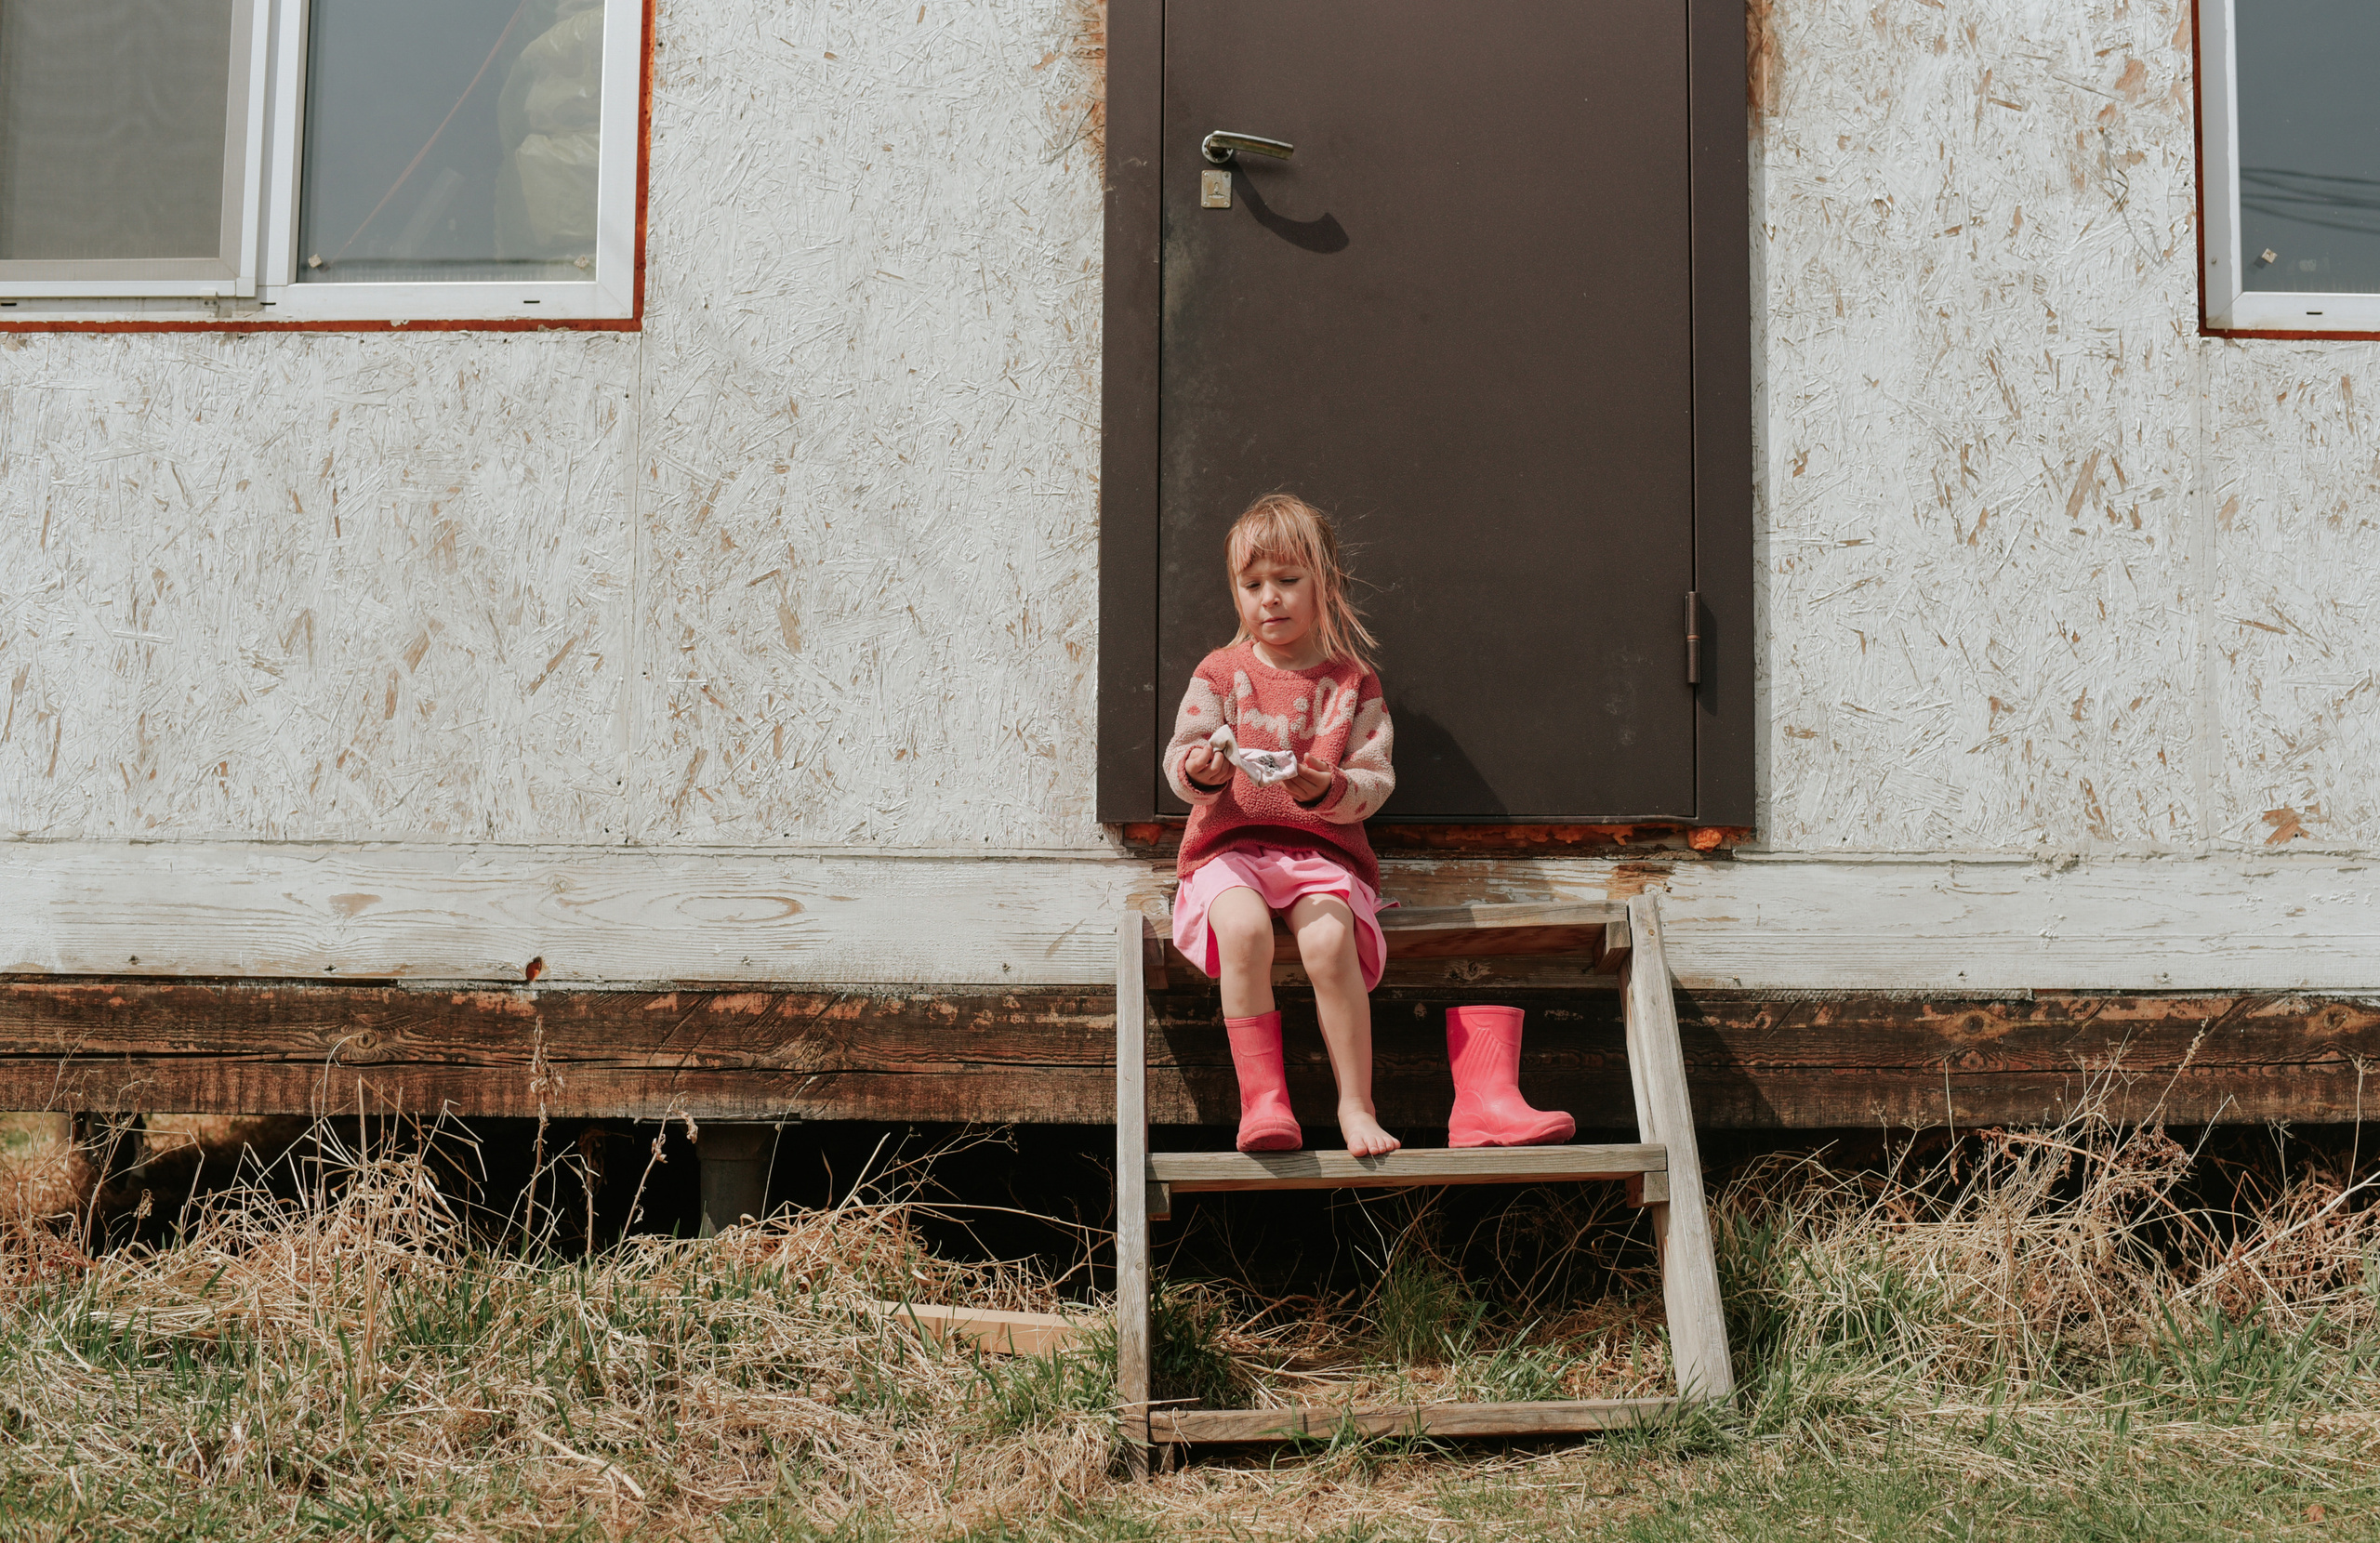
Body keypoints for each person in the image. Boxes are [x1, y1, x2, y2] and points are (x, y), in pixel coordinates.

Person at [1164, 493, 1403, 1155]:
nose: (1269, 598)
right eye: (1252, 584)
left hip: (1319, 852)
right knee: (1241, 930)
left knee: (1328, 945)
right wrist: (1206, 770)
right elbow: (1180, 761)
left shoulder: (1353, 682)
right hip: (1228, 848)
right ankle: (1264, 1104)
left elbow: (1375, 779)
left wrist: (1329, 788)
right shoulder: (1219, 672)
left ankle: (1357, 1106)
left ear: (1324, 584)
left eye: (1287, 581)